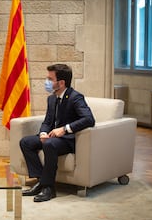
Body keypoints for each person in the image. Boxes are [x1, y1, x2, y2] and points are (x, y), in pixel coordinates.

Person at [20, 64, 95, 202]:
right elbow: (48, 121)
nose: (46, 82)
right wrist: (43, 132)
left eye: (50, 79)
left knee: (49, 144)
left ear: (61, 83)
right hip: (52, 138)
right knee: (26, 142)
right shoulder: (52, 98)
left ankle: (49, 189)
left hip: (68, 140)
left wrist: (65, 129)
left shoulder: (75, 97)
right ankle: (41, 181)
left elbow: (89, 119)